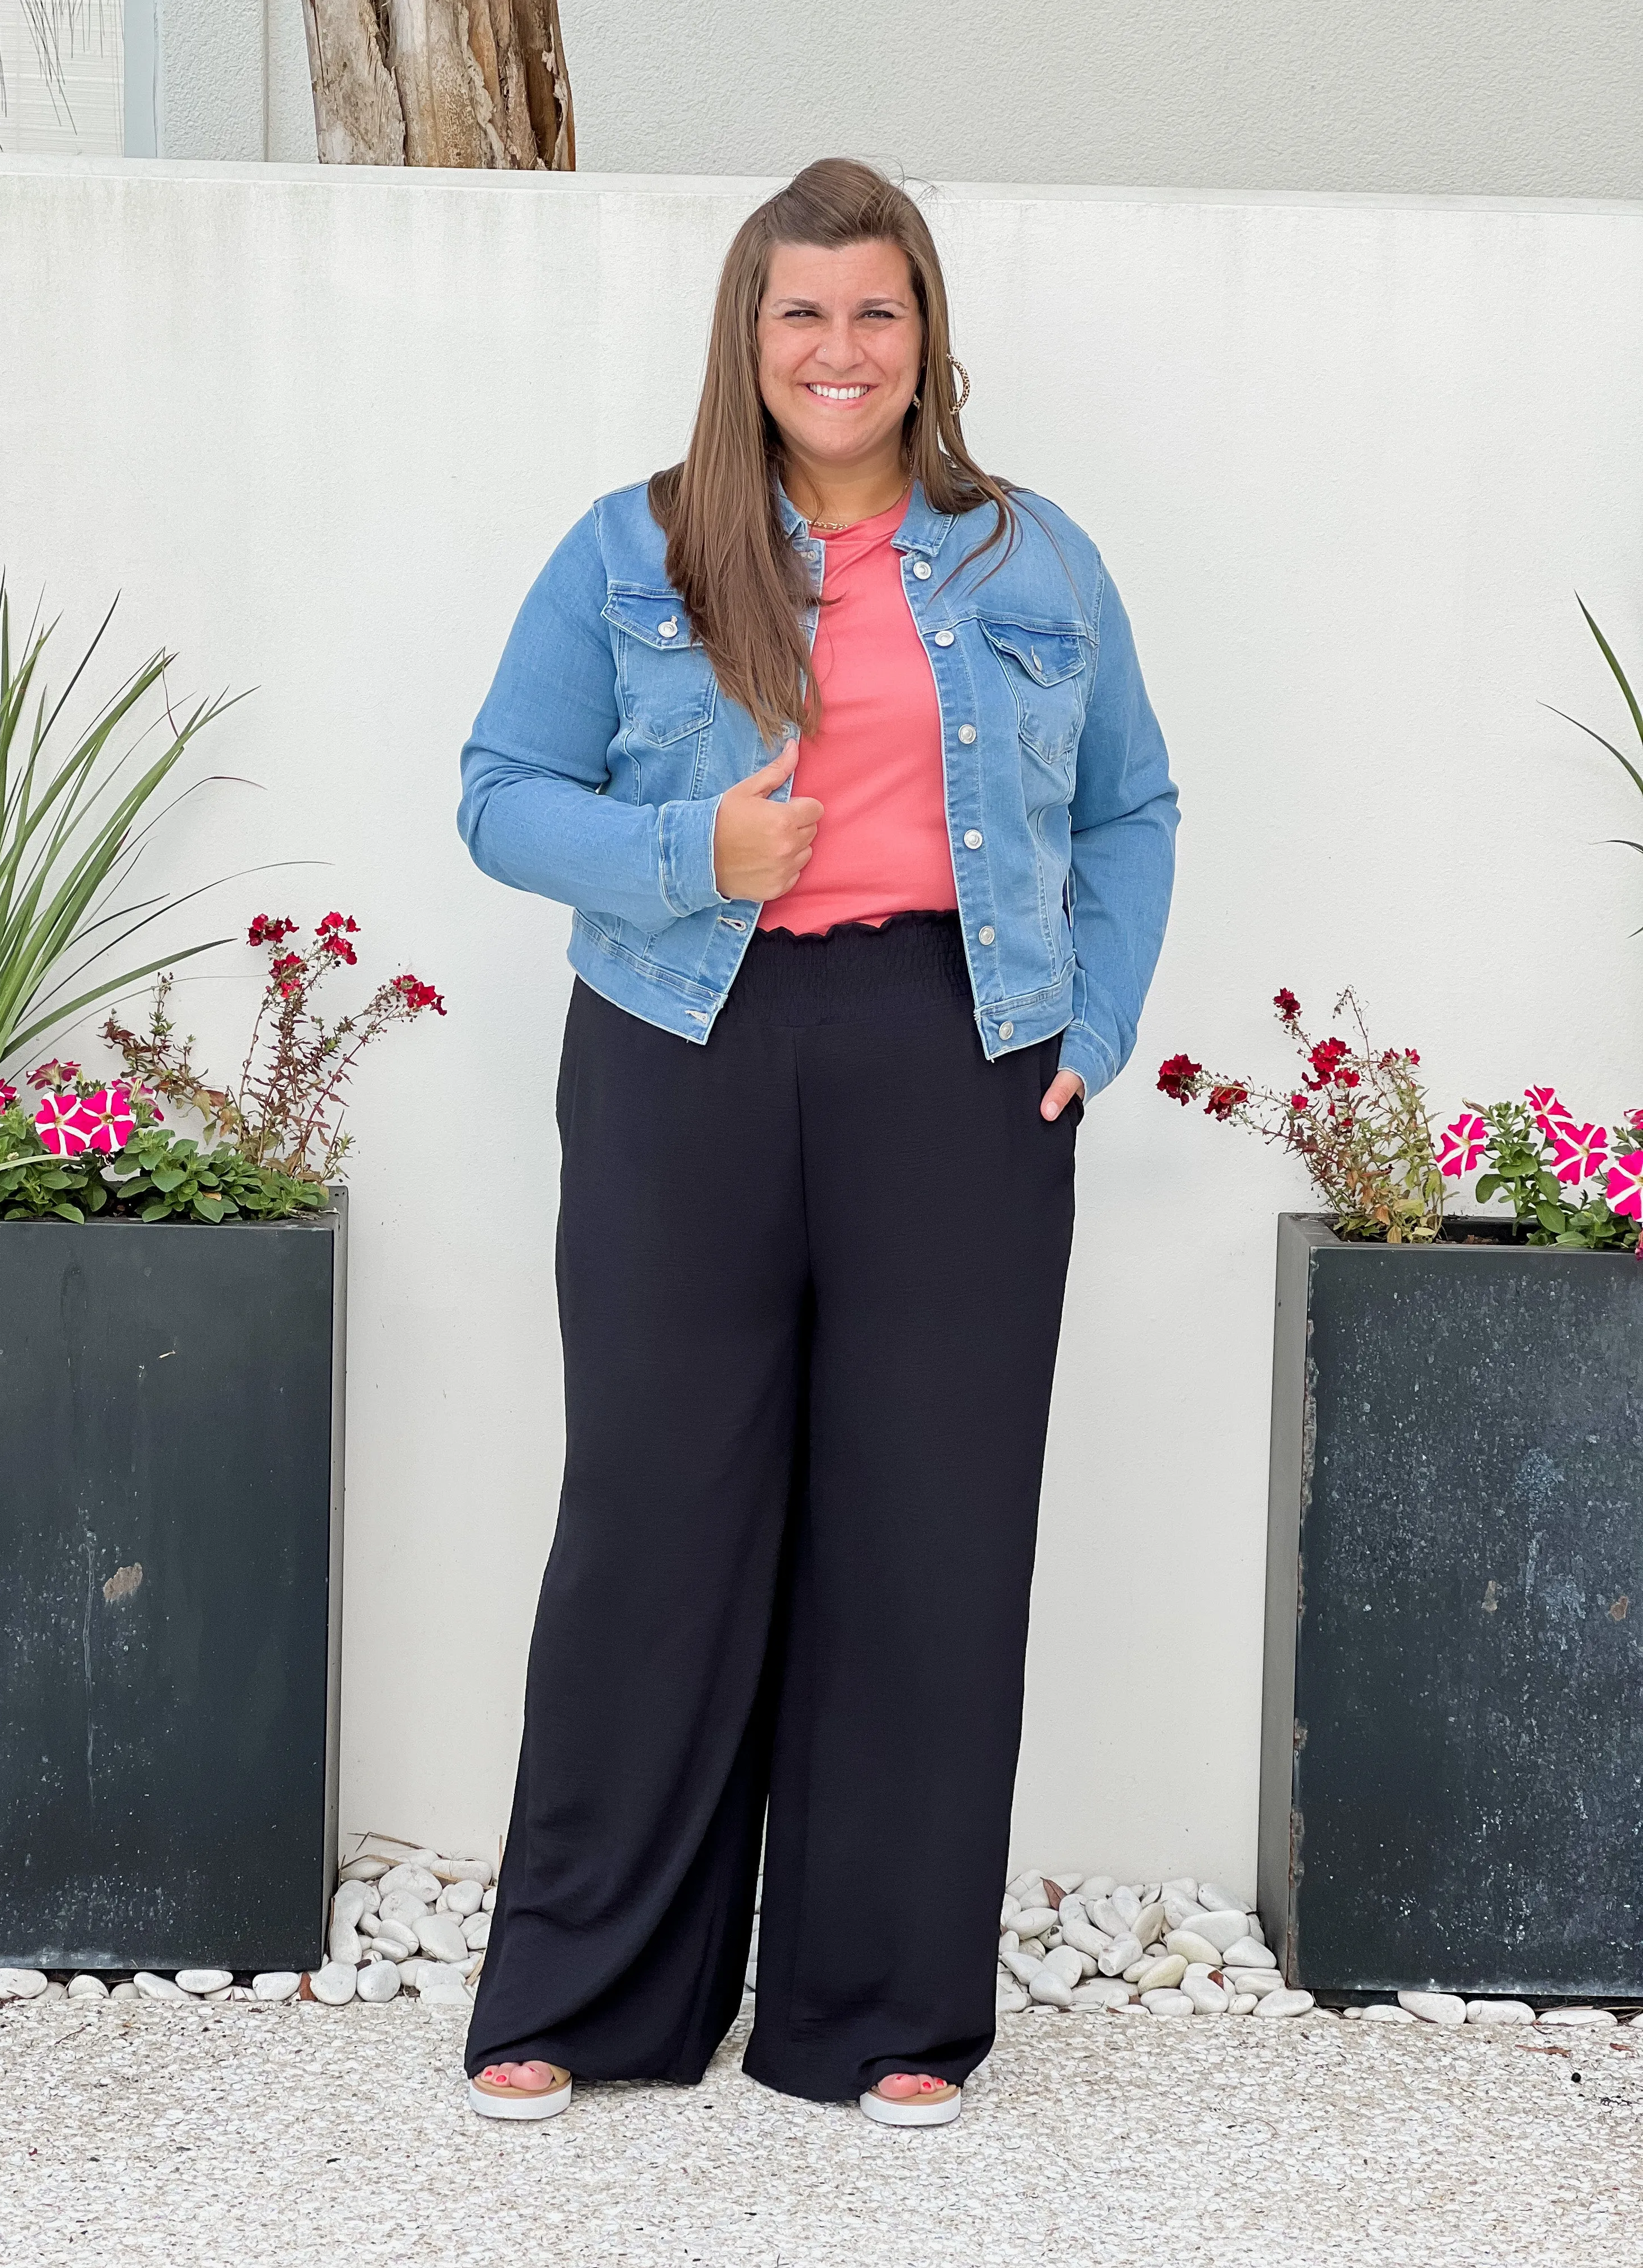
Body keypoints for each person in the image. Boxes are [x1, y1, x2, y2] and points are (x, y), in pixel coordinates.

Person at [457, 157, 1177, 2129]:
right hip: (682, 1041)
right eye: (803, 314)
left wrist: (1089, 1025)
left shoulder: (1035, 559)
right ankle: (588, 1999)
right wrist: (692, 846)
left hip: (954, 1052)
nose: (840, 350)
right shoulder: (636, 548)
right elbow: (501, 794)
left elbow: (1133, 810)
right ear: (746, 337)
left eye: (877, 312)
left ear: (926, 332)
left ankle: (878, 2013)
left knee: (924, 1529)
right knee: (654, 1515)